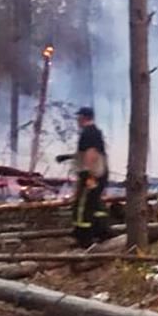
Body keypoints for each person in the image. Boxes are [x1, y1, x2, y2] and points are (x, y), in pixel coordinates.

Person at [56, 106, 110, 247]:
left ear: (83, 117)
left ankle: (83, 238)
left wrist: (87, 174)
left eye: (78, 117)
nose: (77, 120)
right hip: (100, 174)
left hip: (92, 175)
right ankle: (102, 232)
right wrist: (67, 157)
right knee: (95, 204)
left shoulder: (88, 133)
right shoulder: (94, 132)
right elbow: (87, 152)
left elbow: (91, 153)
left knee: (82, 206)